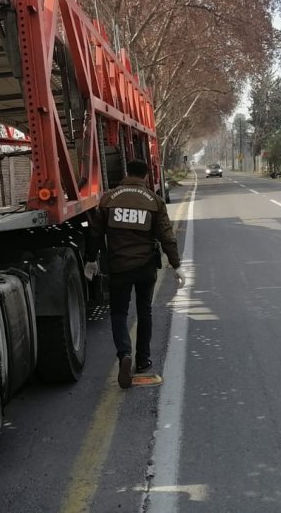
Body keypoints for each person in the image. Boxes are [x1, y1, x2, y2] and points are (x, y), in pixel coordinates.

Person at [85, 159, 185, 389]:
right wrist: (176, 265)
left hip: (118, 267)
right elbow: (166, 236)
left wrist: (91, 260)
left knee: (119, 313)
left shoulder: (108, 199)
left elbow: (95, 234)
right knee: (144, 311)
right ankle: (143, 360)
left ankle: (124, 355)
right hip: (145, 267)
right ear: (146, 176)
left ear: (126, 173)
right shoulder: (155, 201)